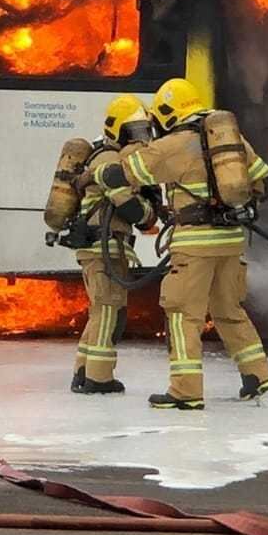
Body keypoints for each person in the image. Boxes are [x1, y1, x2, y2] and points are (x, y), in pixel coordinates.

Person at [95, 77, 268, 410]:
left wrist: (108, 167)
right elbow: (266, 180)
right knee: (229, 309)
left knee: (182, 315)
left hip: (194, 245)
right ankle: (257, 374)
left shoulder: (173, 145)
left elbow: (123, 174)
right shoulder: (229, 139)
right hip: (232, 240)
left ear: (167, 113)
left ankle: (185, 391)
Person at [69, 94, 156, 396]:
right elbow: (127, 205)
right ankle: (99, 378)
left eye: (144, 131)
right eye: (134, 132)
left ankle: (83, 371)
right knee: (109, 311)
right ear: (116, 130)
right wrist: (149, 214)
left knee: (101, 310)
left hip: (103, 246)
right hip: (102, 247)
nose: (140, 139)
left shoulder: (107, 157)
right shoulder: (109, 160)